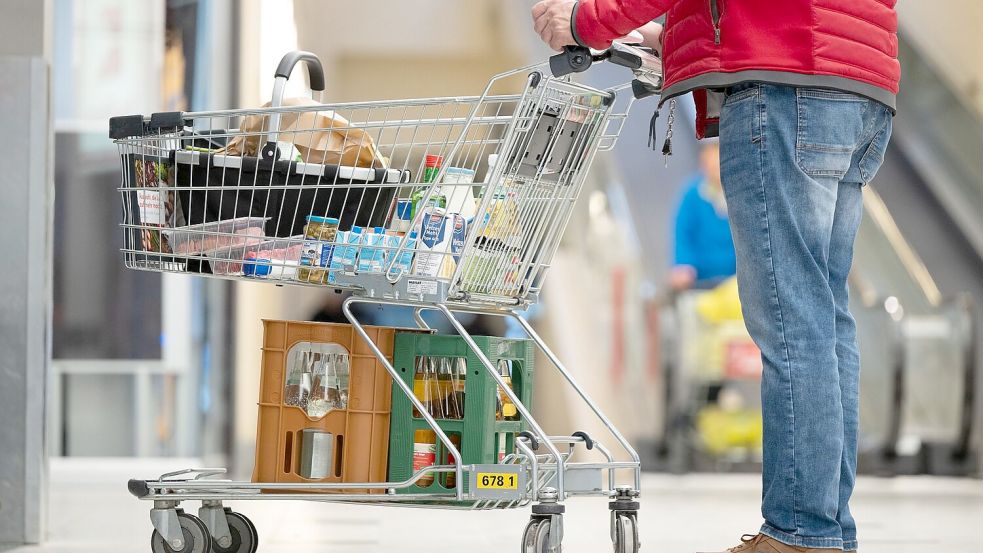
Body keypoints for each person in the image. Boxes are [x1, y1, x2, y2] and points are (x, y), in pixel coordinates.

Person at [532, 1, 898, 552]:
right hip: (859, 84)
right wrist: (674, 35)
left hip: (783, 81)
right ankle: (824, 532)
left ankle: (800, 534)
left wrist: (590, 20)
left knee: (792, 321)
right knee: (824, 321)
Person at [670, 140, 735, 291]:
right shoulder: (692, 194)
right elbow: (683, 234)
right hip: (701, 281)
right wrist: (683, 265)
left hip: (737, 278)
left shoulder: (742, 193)